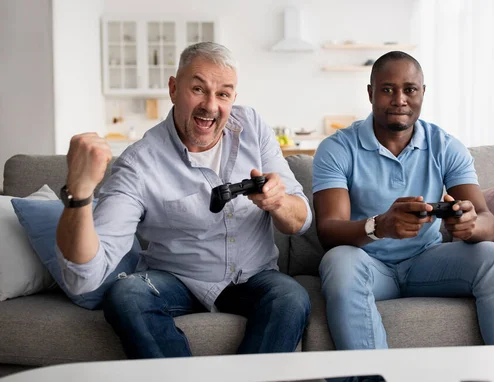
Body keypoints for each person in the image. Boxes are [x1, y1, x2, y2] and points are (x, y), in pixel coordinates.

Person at [55, 42, 312, 358]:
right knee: (127, 295)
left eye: (223, 94)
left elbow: (301, 221)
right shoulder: (139, 163)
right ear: (174, 88)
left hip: (254, 277)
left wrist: (278, 201)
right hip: (177, 279)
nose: (210, 105)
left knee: (291, 298)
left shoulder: (253, 128)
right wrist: (79, 194)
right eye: (198, 89)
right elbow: (84, 278)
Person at [312, 51, 494, 352]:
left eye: (410, 89)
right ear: (370, 93)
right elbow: (328, 230)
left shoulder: (445, 146)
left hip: (427, 264)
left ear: (422, 93)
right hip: (368, 265)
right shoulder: (337, 148)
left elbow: (486, 220)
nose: (399, 99)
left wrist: (470, 224)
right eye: (387, 89)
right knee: (337, 262)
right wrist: (380, 226)